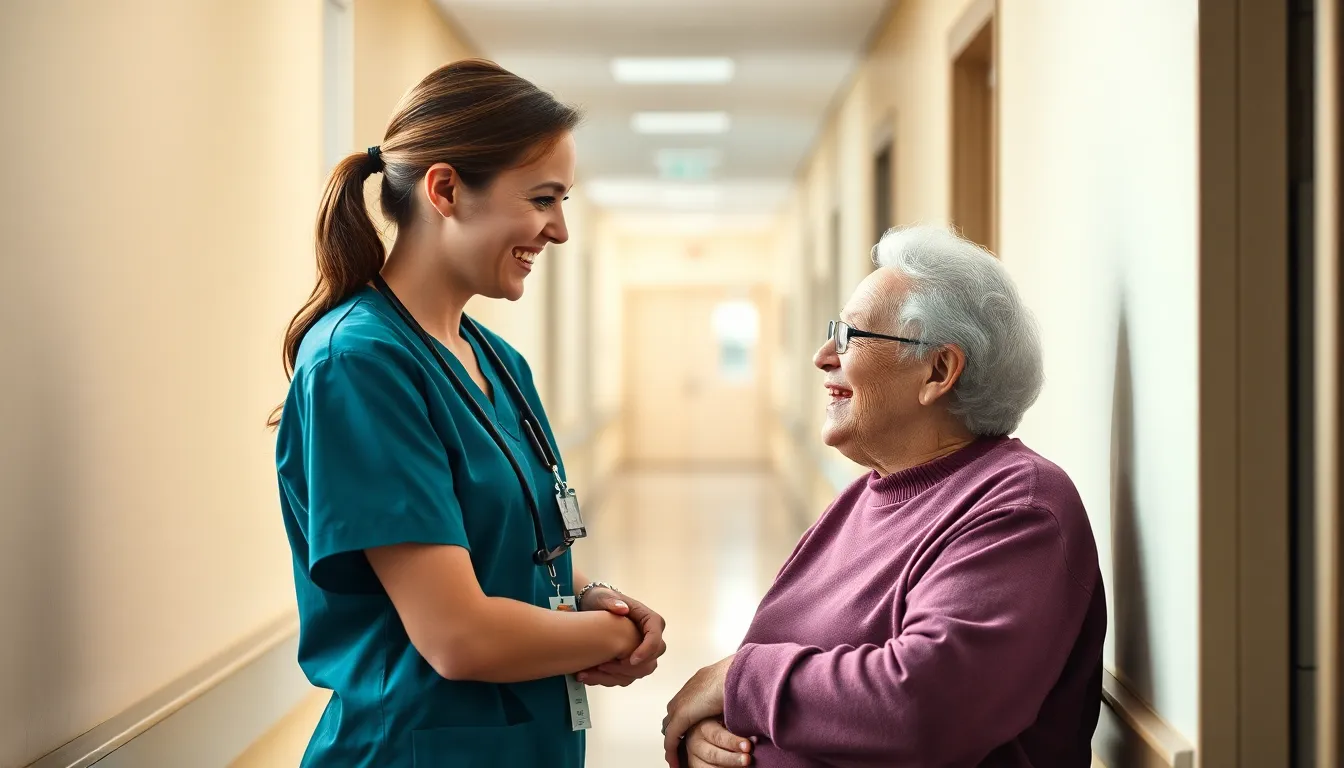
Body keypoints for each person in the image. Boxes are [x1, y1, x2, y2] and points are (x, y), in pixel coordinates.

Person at [272, 59, 666, 767]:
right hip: (412, 748)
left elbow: (512, 552)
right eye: (543, 198)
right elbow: (459, 636)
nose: (559, 230)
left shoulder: (497, 364)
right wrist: (617, 637)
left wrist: (599, 596)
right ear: (446, 189)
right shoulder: (360, 364)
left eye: (565, 201)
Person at [663, 224, 1106, 768]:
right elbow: (780, 685)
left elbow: (925, 705)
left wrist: (737, 681)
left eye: (850, 336)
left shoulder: (1020, 507)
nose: (823, 356)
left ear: (938, 371)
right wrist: (718, 728)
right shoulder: (866, 495)